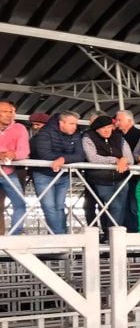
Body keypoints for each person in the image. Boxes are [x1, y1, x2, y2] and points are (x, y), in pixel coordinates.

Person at [30, 111, 84, 234]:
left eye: (75, 124)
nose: (75, 126)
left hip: (63, 175)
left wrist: (63, 159)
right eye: (71, 123)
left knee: (60, 206)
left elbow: (80, 155)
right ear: (61, 123)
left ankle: (60, 235)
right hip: (43, 174)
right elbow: (44, 154)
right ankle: (59, 235)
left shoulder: (76, 134)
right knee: (48, 206)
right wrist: (67, 158)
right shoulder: (45, 133)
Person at [81, 115, 133, 239]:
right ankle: (111, 235)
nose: (107, 131)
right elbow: (93, 158)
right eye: (103, 128)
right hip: (101, 179)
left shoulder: (119, 138)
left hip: (121, 178)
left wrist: (124, 159)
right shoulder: (88, 137)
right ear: (96, 129)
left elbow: (130, 158)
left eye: (109, 127)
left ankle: (114, 235)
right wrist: (115, 160)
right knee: (113, 205)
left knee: (119, 207)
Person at [0, 100, 30, 235]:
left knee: (20, 204)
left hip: (9, 173)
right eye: (5, 112)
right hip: (7, 172)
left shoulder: (20, 128)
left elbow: (24, 151)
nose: (9, 115)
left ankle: (14, 236)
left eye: (11, 112)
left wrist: (13, 154)